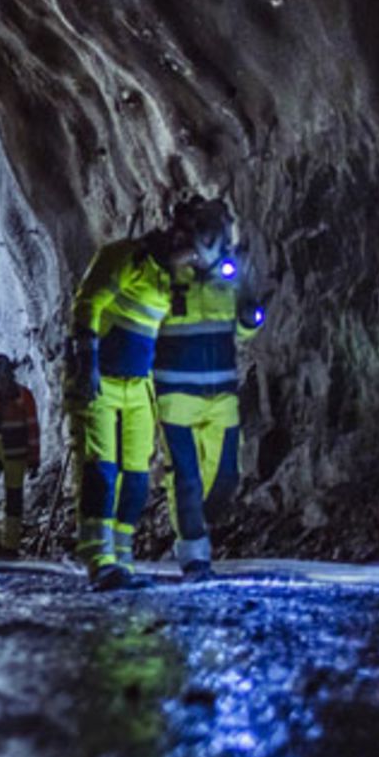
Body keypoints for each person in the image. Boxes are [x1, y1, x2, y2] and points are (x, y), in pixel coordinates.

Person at [65, 211, 204, 590]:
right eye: (191, 254)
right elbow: (89, 303)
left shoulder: (174, 281)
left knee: (137, 477)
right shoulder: (126, 257)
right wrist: (87, 362)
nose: (192, 262)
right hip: (101, 380)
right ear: (177, 239)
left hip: (138, 386)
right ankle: (99, 558)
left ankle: (121, 560)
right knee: (101, 470)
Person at [155, 196, 265, 580]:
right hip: (176, 396)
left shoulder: (227, 278)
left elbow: (243, 327)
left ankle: (192, 529)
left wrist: (252, 314)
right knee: (185, 476)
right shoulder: (165, 278)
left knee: (228, 478)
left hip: (221, 395)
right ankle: (194, 555)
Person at [0, 354, 41, 558]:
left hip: (15, 452)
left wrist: (33, 457)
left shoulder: (23, 395)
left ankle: (11, 545)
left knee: (13, 497)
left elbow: (32, 427)